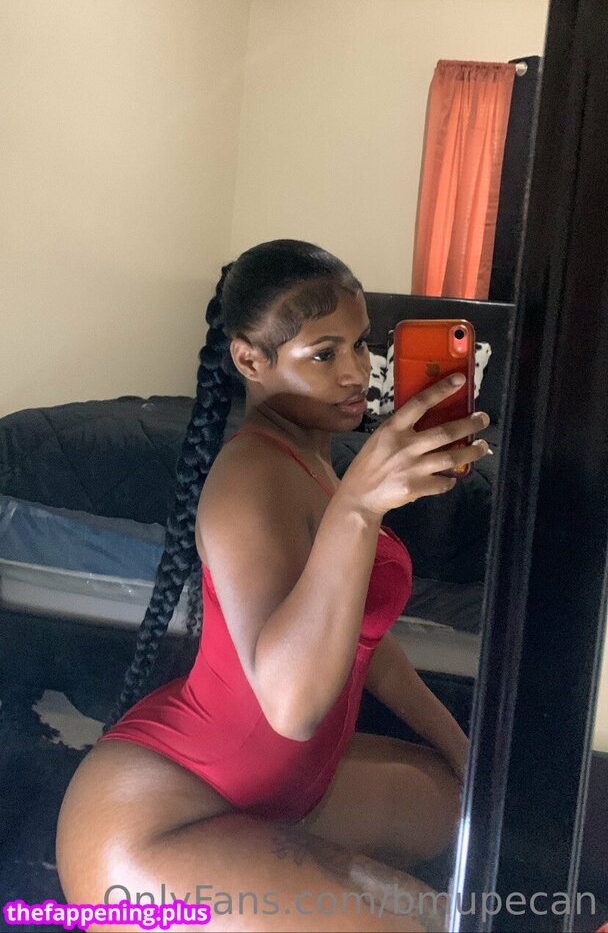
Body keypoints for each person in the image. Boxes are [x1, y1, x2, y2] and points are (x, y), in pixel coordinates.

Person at [56, 239, 491, 933]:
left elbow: (360, 638)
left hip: (279, 790)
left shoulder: (313, 461)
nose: (357, 373)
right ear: (250, 361)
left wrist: (465, 748)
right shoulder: (249, 479)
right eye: (324, 354)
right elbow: (291, 710)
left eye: (362, 344)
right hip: (154, 827)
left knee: (460, 811)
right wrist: (358, 508)